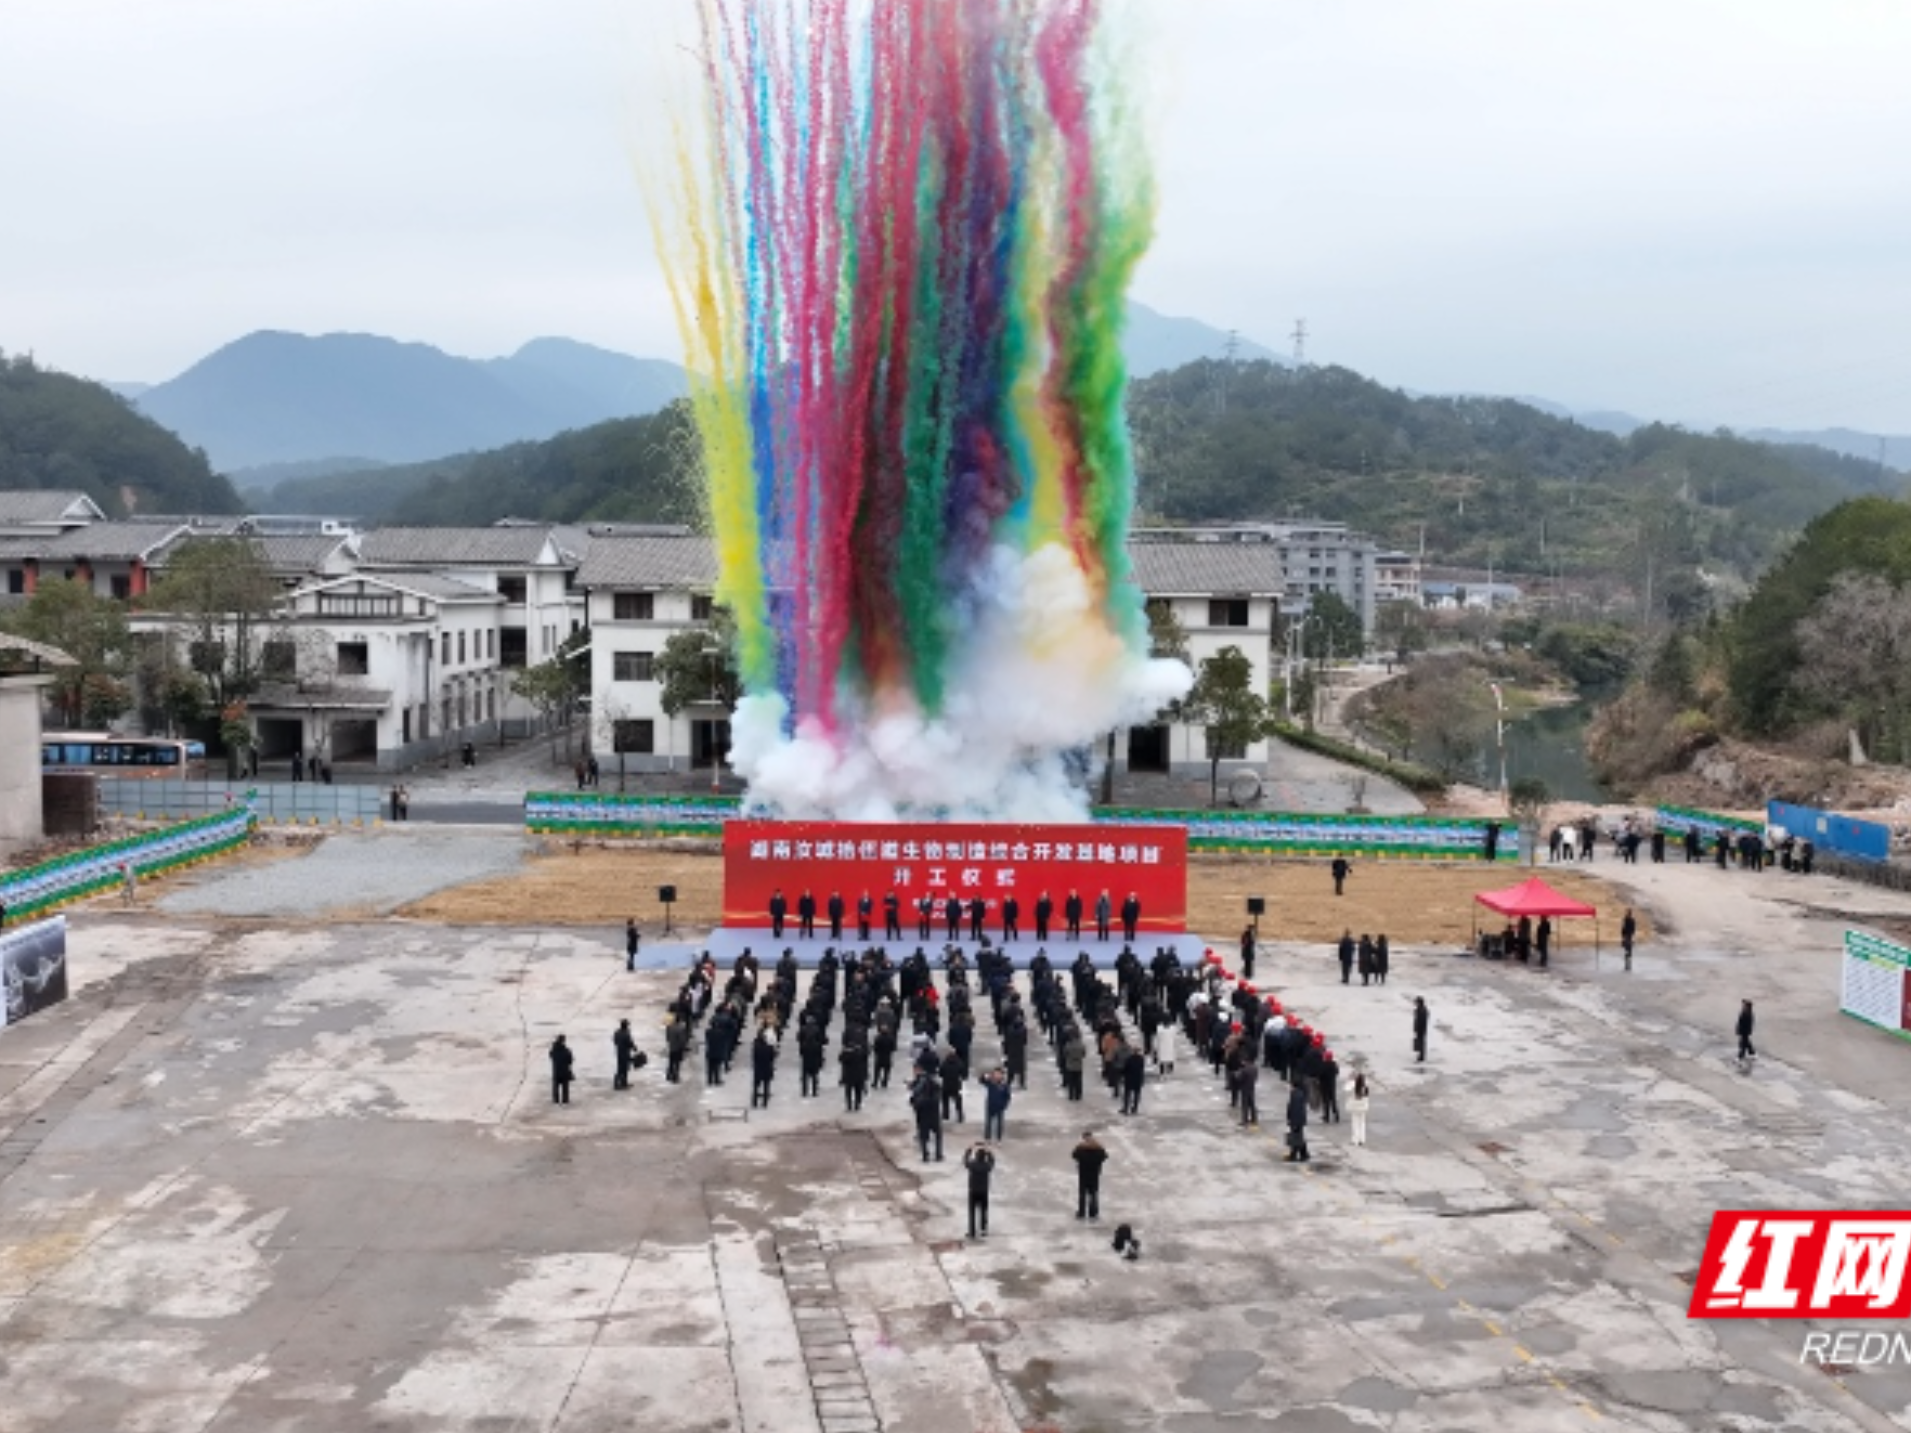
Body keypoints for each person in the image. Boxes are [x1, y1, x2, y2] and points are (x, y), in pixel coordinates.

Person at [1072, 1130, 1107, 1220]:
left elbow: (1074, 1155)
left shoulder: (1080, 1148)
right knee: (1093, 1193)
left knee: (1082, 1194)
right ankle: (1093, 1212)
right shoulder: (1098, 1147)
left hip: (1083, 1173)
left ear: (1084, 1138)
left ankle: (1081, 1212)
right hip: (1094, 1173)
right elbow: (1104, 1156)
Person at [911, 1068, 944, 1161]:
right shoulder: (936, 1090)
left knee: (924, 1136)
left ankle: (925, 1155)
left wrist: (916, 1105)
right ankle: (938, 1154)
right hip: (934, 1116)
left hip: (923, 1116)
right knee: (938, 1135)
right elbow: (938, 1097)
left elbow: (914, 1101)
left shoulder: (919, 1091)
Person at [964, 1142, 995, 1238]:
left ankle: (972, 1231)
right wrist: (988, 1151)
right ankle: (983, 1229)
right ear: (984, 1157)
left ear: (976, 1156)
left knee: (972, 1212)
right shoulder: (987, 1166)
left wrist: (969, 1149)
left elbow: (965, 1160)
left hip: (973, 1191)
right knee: (984, 1210)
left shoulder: (972, 1165)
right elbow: (992, 1161)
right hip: (984, 1191)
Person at [1285, 1080, 1310, 1162]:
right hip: (1299, 1120)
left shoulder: (1295, 1094)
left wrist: (1292, 1121)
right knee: (1298, 1137)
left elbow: (1294, 1109)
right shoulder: (1299, 1093)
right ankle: (1302, 1154)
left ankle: (1296, 1155)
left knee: (1296, 1138)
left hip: (1296, 1120)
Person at [983, 1069, 1011, 1140]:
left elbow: (1007, 1096)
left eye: (999, 1074)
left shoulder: (1004, 1085)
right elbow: (982, 1080)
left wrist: (1004, 1105)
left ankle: (999, 1136)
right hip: (990, 1105)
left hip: (999, 1106)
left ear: (1002, 1076)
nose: (997, 1076)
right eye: (995, 1074)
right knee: (988, 1122)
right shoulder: (990, 1083)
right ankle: (987, 1136)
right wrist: (985, 1075)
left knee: (999, 1122)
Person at [1120, 1044, 1147, 1115]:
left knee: (1127, 1094)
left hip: (1129, 1079)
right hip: (1138, 1079)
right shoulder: (1141, 1059)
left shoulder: (1129, 1059)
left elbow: (1125, 1069)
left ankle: (1126, 1108)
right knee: (1136, 1095)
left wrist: (1122, 1075)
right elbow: (1142, 1069)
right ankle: (1135, 1108)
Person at [550, 1034, 575, 1104]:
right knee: (565, 1088)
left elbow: (551, 1057)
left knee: (555, 1087)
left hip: (556, 1071)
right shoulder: (566, 1051)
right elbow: (570, 1061)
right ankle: (565, 1100)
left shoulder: (553, 1050)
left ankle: (556, 1100)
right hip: (564, 1071)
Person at [613, 1019, 637, 1089]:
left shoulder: (617, 1032)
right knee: (625, 1069)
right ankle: (623, 1083)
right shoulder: (626, 1033)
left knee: (620, 1068)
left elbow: (615, 1041)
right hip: (625, 1053)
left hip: (619, 1052)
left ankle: (617, 1083)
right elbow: (629, 1043)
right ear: (626, 1026)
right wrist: (634, 1048)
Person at [665, 1015, 689, 1084]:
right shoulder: (680, 1029)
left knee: (671, 1062)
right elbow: (682, 1040)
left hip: (672, 1047)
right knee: (677, 1063)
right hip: (678, 1048)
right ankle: (675, 1076)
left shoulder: (669, 1027)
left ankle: (669, 1075)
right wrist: (684, 1047)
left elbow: (667, 1037)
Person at [1349, 1073, 1371, 1147]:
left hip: (1355, 1107)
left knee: (1355, 1124)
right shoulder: (1365, 1088)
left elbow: (1346, 1088)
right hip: (1363, 1108)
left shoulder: (1353, 1087)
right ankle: (1362, 1139)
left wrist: (1351, 1080)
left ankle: (1355, 1140)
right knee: (1362, 1123)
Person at [1237, 1056, 1259, 1127]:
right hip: (1251, 1088)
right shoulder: (1255, 1068)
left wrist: (1237, 1074)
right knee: (1252, 1104)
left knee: (1245, 1105)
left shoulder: (1244, 1070)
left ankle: (1244, 1120)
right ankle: (1254, 1119)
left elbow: (1239, 1078)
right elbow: (1256, 1078)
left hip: (1244, 1089)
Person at [1736, 999, 1756, 1066]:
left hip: (1745, 1031)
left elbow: (1748, 1024)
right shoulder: (1744, 1012)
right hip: (1743, 1031)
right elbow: (1739, 1022)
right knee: (1746, 1042)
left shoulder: (1748, 1014)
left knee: (1743, 1044)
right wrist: (1738, 1029)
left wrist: (1743, 1031)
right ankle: (1752, 1053)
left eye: (1744, 1005)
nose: (1743, 1006)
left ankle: (1740, 1057)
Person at [1412, 997, 1429, 1064]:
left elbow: (1420, 1020)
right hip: (1421, 1028)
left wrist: (1417, 1028)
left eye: (1417, 1002)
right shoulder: (1421, 1009)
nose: (1415, 1004)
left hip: (1421, 1028)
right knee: (1420, 1041)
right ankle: (1420, 1055)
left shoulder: (1421, 1010)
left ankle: (1421, 1056)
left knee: (1421, 1041)